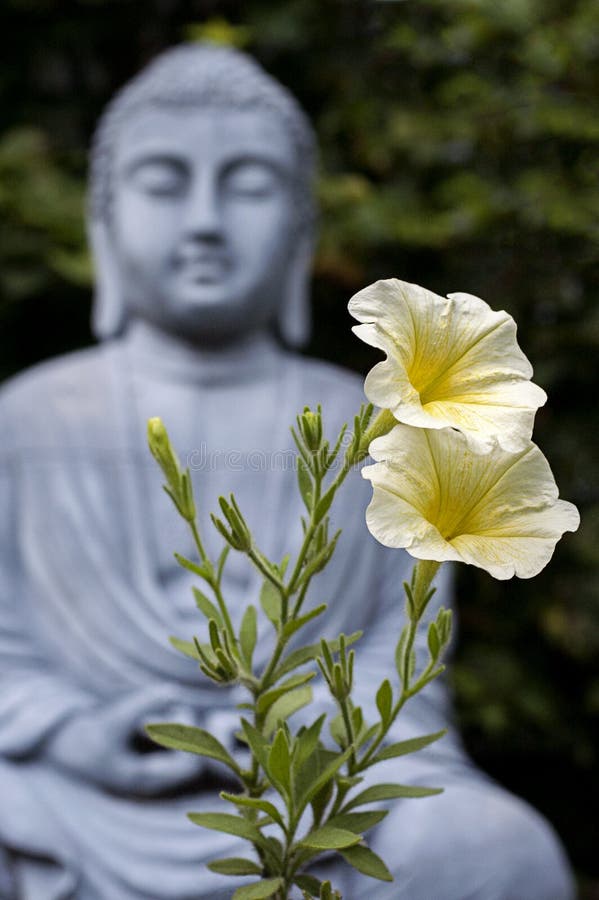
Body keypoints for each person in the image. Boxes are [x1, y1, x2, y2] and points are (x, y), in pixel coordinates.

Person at [0, 44, 575, 899]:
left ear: (304, 227)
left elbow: (399, 655)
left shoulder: (387, 421)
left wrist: (309, 727)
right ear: (102, 221)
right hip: (72, 800)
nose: (204, 220)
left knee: (492, 849)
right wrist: (68, 732)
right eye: (162, 182)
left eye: (248, 184)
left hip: (322, 796)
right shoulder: (24, 417)